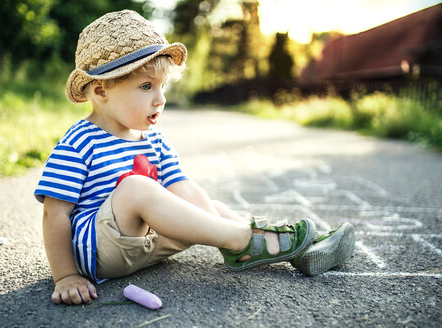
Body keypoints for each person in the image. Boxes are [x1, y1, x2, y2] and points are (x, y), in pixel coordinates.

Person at [34, 10, 355, 306]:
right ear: (101, 91)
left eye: (162, 87)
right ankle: (241, 239)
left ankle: (271, 247)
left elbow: (182, 187)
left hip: (151, 244)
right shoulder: (79, 141)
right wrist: (65, 275)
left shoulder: (155, 139)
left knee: (206, 207)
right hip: (100, 253)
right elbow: (55, 214)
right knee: (136, 187)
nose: (160, 99)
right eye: (146, 87)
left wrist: (215, 220)